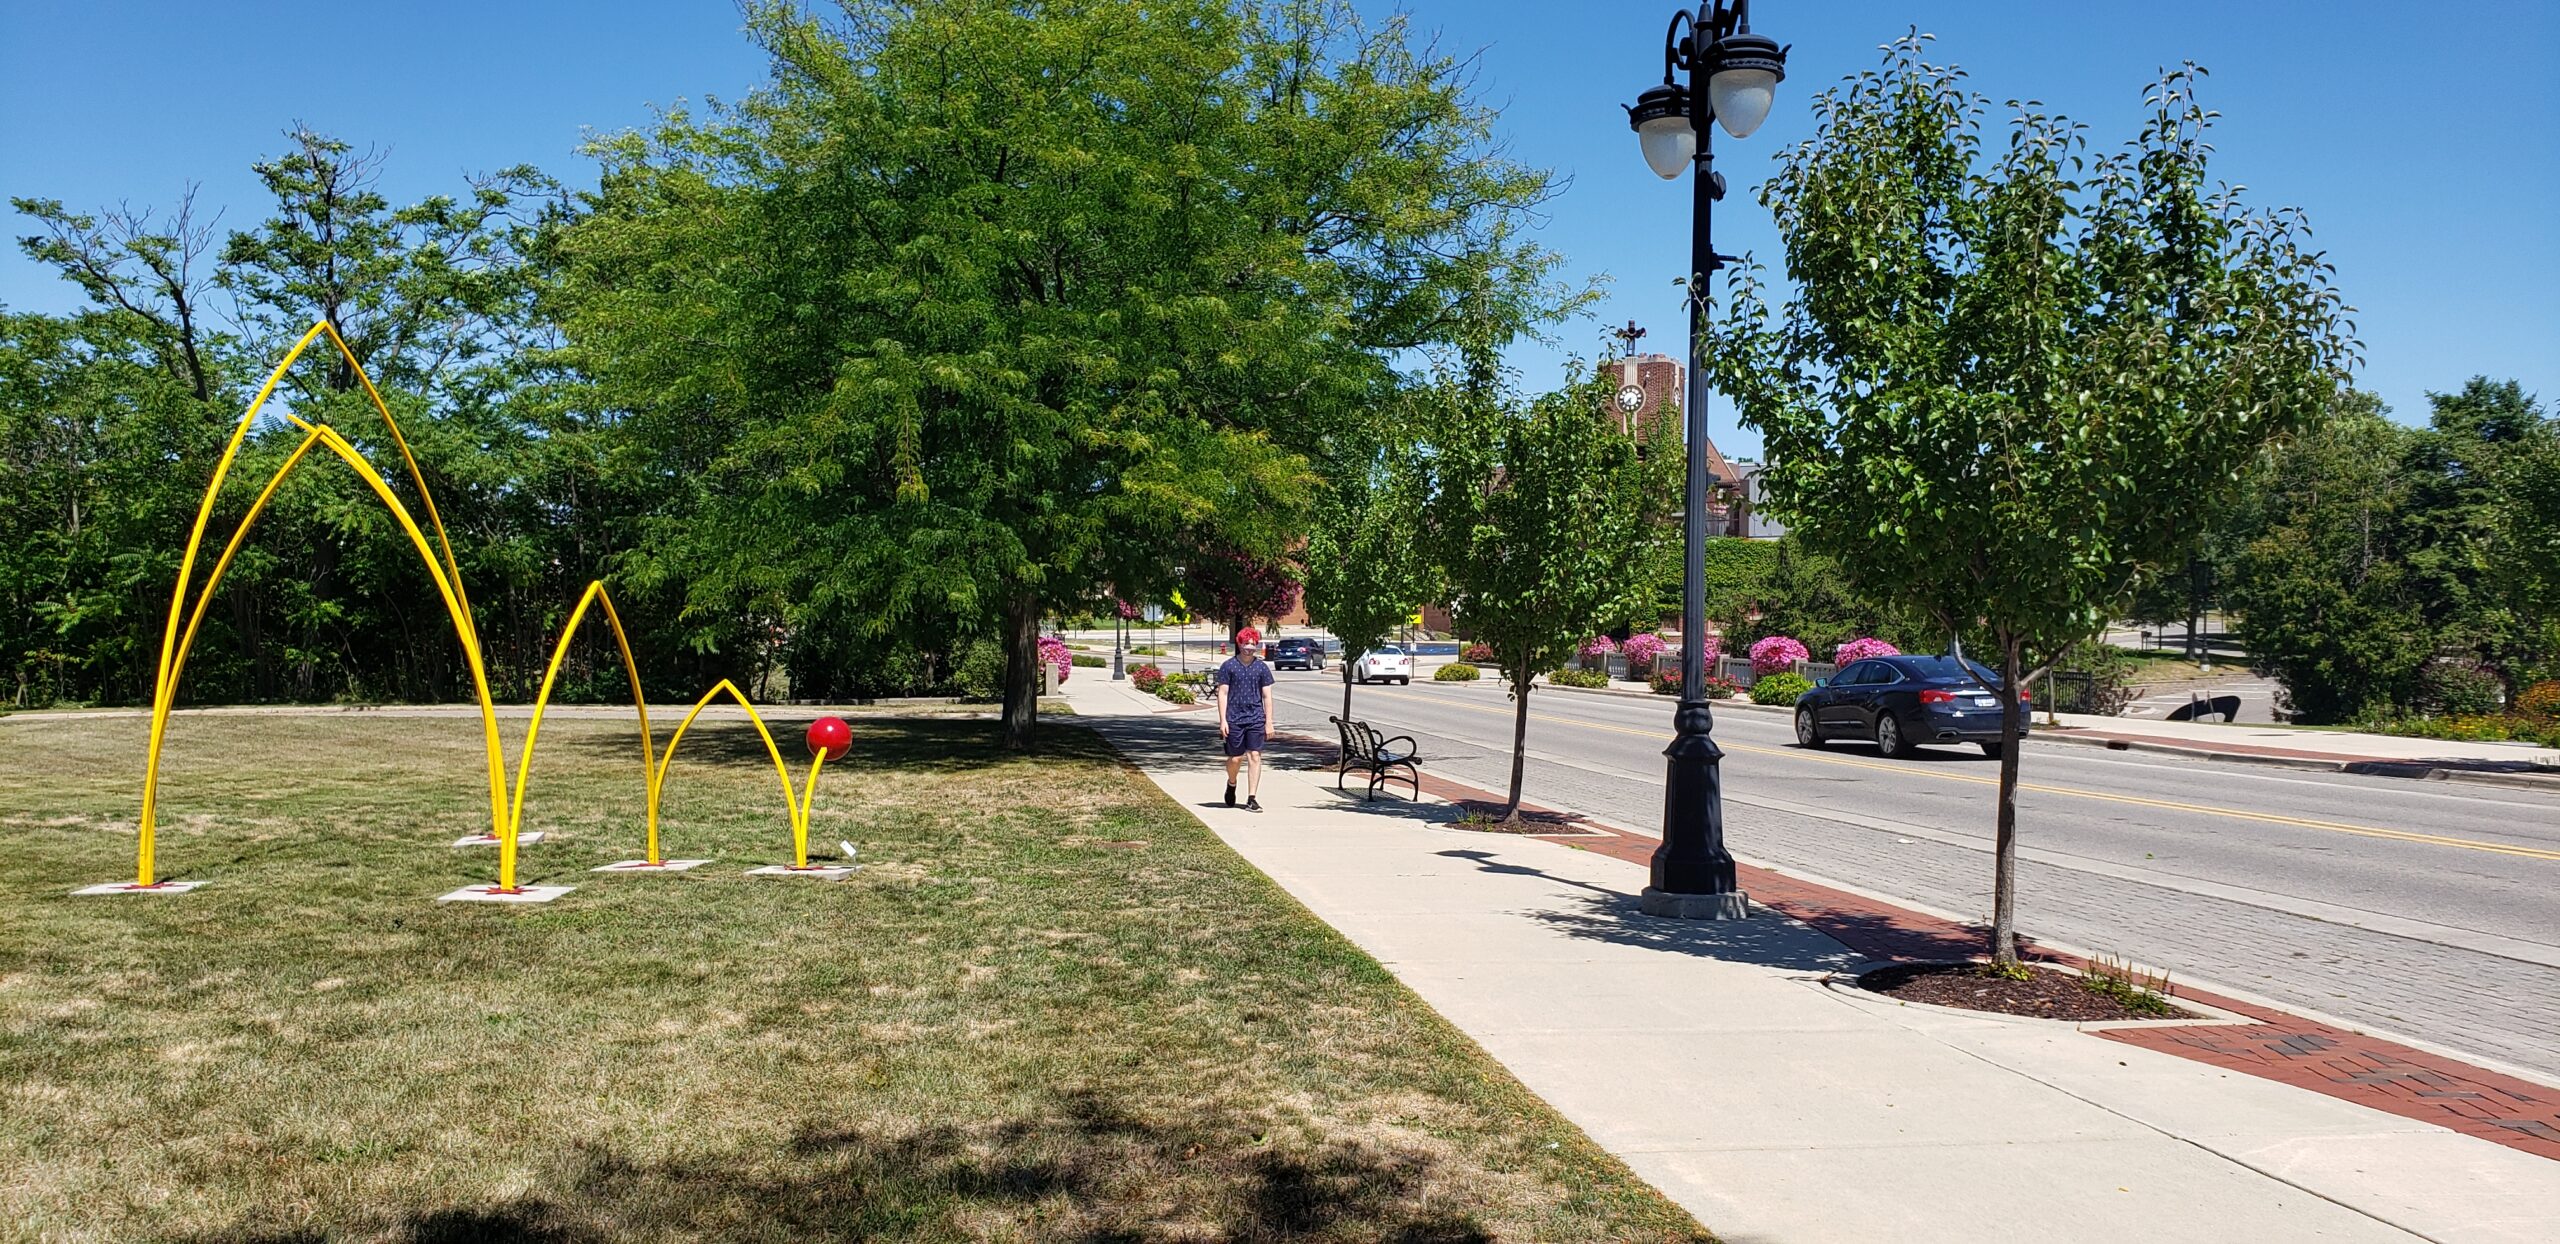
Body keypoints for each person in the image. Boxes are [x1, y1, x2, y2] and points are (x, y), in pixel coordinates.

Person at [1213, 626, 1276, 811]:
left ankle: (1252, 798)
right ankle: (1232, 783)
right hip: (1234, 718)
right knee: (1235, 759)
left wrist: (1269, 722)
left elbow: (1267, 696)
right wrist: (1223, 720)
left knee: (1255, 755)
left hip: (1256, 717)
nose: (1249, 647)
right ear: (1239, 644)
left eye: (1253, 644)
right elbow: (1222, 694)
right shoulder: (1229, 666)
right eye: (1246, 643)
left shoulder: (1261, 668)